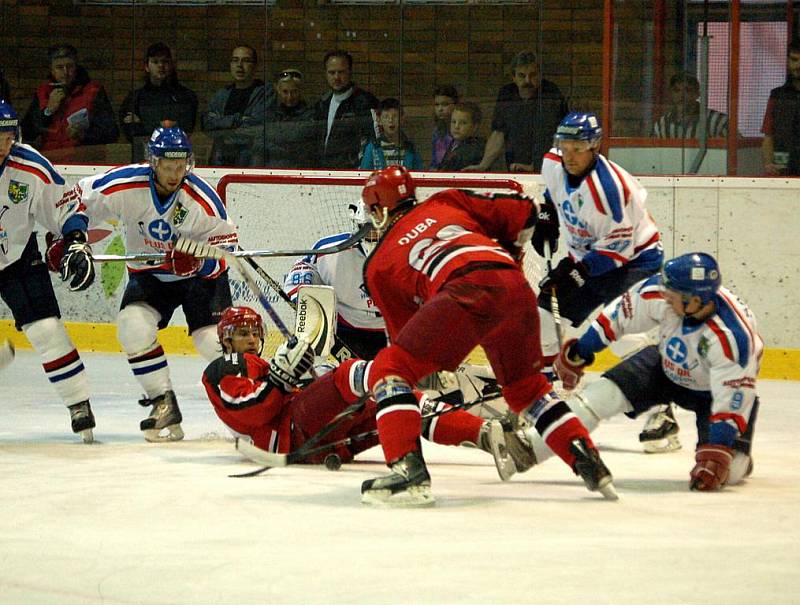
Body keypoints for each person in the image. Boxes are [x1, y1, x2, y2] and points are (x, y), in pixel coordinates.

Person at [357, 165, 616, 506]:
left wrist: (413, 384)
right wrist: (517, 251)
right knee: (528, 389)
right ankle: (588, 461)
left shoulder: (377, 266)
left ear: (378, 209)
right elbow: (526, 212)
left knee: (388, 369)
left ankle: (408, 472)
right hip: (514, 286)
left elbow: (406, 346)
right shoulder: (446, 201)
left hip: (462, 291)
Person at [203, 306, 535, 477]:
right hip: (292, 434)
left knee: (398, 404)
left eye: (253, 332)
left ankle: (486, 434)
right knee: (350, 373)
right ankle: (391, 371)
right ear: (226, 340)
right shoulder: (226, 365)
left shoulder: (260, 365)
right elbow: (252, 412)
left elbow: (285, 391)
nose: (249, 339)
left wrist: (296, 376)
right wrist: (280, 378)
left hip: (319, 442)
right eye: (241, 333)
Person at [527, 252, 762, 492]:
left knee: (729, 472)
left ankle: (741, 458)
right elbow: (617, 318)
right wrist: (579, 352)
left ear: (696, 300)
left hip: (712, 394)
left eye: (673, 295)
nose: (665, 296)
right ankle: (528, 447)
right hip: (663, 365)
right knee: (597, 397)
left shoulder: (733, 339)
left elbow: (733, 396)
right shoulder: (663, 292)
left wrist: (719, 450)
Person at [67, 125, 237, 442]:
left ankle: (248, 409)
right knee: (132, 326)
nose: (175, 174)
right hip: (151, 275)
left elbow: (228, 246)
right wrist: (75, 240)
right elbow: (78, 200)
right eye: (168, 166)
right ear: (153, 162)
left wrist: (200, 260)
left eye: (181, 166)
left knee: (210, 343)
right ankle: (163, 403)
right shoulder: (126, 185)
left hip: (200, 281)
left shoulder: (201, 200)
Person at [0, 99, 97, 442]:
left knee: (46, 329)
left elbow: (65, 204)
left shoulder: (30, 166)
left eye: (7, 136)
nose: (3, 145)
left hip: (16, 253)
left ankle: (78, 403)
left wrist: (74, 239)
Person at [283, 200, 385, 361]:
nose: (376, 235)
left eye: (382, 228)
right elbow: (304, 268)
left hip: (395, 332)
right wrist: (303, 297)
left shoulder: (411, 249)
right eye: (369, 229)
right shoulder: (330, 250)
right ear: (357, 225)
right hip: (347, 332)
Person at [464, 51, 568, 173]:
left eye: (532, 75)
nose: (527, 81)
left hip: (547, 167)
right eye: (522, 76)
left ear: (540, 76)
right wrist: (483, 165)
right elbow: (498, 133)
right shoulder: (507, 94)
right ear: (513, 77)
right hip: (514, 166)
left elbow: (559, 136)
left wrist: (537, 165)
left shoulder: (550, 94)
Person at [21, 44, 118, 154]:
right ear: (52, 70)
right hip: (50, 160)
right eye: (59, 67)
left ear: (76, 67)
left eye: (69, 66)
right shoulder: (43, 93)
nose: (65, 72)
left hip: (84, 161)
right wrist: (48, 111)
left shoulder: (93, 91)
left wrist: (84, 135)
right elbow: (26, 132)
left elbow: (111, 133)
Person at [119, 43, 198, 162]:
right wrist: (163, 123)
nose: (161, 65)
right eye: (155, 62)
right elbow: (131, 132)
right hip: (143, 160)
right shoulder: (135, 98)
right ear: (146, 66)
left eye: (165, 62)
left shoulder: (185, 97)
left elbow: (184, 128)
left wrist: (144, 124)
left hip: (175, 159)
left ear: (171, 65)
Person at [202, 44, 272, 167]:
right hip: (220, 161)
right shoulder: (222, 94)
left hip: (250, 162)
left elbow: (257, 126)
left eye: (245, 61)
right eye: (235, 60)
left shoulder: (265, 93)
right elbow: (207, 124)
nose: (239, 65)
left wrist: (222, 126)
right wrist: (238, 120)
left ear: (255, 66)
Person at [314, 50, 379, 168]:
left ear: (350, 72)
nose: (336, 77)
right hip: (324, 172)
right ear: (326, 74)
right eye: (332, 72)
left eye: (341, 72)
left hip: (353, 173)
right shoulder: (322, 104)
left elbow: (375, 140)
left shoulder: (365, 102)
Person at [259, 69, 316, 168]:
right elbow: (259, 150)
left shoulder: (311, 116)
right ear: (278, 90)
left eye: (294, 92)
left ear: (301, 91)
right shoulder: (269, 116)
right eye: (285, 92)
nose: (289, 97)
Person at [761, 42, 800, 176]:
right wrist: (768, 164)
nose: (798, 66)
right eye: (794, 60)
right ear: (788, 61)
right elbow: (768, 136)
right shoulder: (777, 96)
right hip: (784, 170)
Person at [651, 73, 729, 139]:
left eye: (687, 90)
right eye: (676, 90)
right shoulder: (661, 125)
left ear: (697, 94)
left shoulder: (719, 121)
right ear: (671, 94)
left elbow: (738, 149)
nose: (681, 95)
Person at [359, 98, 422, 170]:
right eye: (386, 117)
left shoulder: (411, 149)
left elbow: (419, 174)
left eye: (395, 116)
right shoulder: (373, 148)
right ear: (379, 120)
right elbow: (364, 175)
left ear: (402, 119)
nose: (390, 120)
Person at [438, 101, 485, 172]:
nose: (456, 126)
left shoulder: (475, 149)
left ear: (474, 127)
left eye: (463, 123)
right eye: (453, 122)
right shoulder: (453, 144)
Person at [429, 85, 458, 170]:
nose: (440, 109)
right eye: (437, 105)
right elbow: (435, 161)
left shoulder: (461, 129)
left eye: (445, 104)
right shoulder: (437, 131)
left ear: (455, 105)